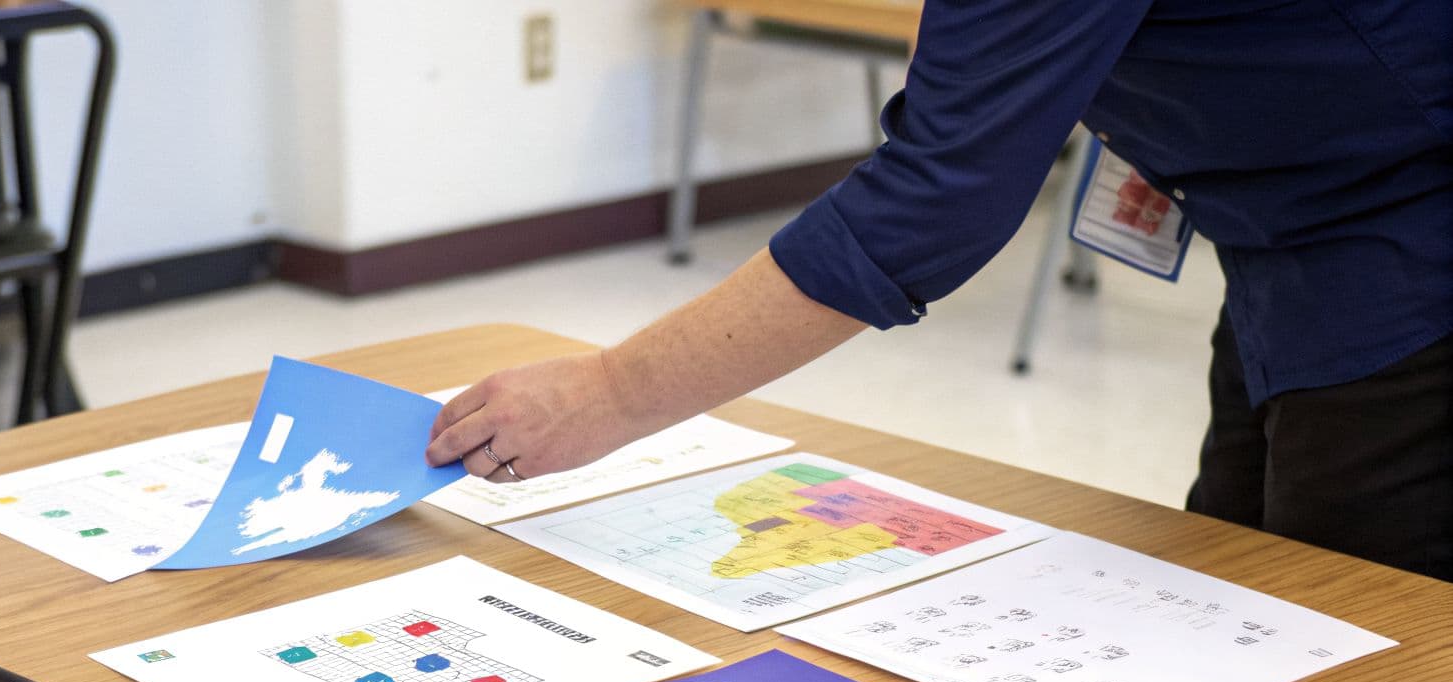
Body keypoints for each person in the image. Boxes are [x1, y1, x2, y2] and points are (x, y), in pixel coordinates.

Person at [425, 0, 1453, 583]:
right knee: (1243, 585)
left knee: (1366, 636)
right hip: (1290, 234)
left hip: (1406, 242)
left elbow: (929, 201)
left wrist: (612, 390)